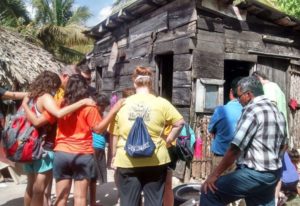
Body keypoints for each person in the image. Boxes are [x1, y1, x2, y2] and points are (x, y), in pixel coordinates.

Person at [22, 74, 123, 206]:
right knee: (80, 198)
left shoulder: (59, 104)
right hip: (83, 154)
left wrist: (25, 104)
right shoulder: (89, 107)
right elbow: (98, 129)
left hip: (61, 154)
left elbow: (39, 121)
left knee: (61, 197)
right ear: (84, 88)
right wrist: (113, 111)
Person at [200, 76, 288, 206]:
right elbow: (284, 145)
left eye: (239, 96)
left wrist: (214, 175)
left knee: (209, 192)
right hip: (272, 174)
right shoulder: (276, 111)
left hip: (255, 174)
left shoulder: (252, 110)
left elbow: (235, 148)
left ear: (249, 95)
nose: (238, 100)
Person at [110, 66, 185, 206]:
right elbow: (180, 123)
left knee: (128, 202)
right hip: (155, 159)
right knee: (154, 202)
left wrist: (113, 155)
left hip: (127, 159)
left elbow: (115, 133)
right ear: (151, 83)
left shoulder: (122, 104)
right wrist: (168, 140)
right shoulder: (161, 102)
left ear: (134, 83)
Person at [21, 71, 94, 206]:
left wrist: (25, 105)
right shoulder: (48, 98)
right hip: (43, 147)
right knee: (39, 189)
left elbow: (37, 120)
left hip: (28, 145)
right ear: (52, 84)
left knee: (31, 187)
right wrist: (83, 102)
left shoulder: (31, 97)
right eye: (56, 86)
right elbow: (58, 114)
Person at [208, 77, 243, 172]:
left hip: (221, 156)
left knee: (217, 184)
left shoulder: (220, 110)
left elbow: (210, 129)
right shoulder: (247, 111)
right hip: (239, 158)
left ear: (231, 92)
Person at [163, 124, 196, 206]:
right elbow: (193, 139)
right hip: (172, 151)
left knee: (163, 184)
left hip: (165, 151)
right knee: (167, 184)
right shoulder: (180, 121)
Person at [89, 93, 110, 206]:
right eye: (102, 106)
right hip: (93, 146)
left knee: (94, 177)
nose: (103, 108)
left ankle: (92, 202)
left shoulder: (102, 114)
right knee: (91, 177)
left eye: (105, 106)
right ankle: (91, 202)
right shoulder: (92, 112)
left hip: (99, 146)